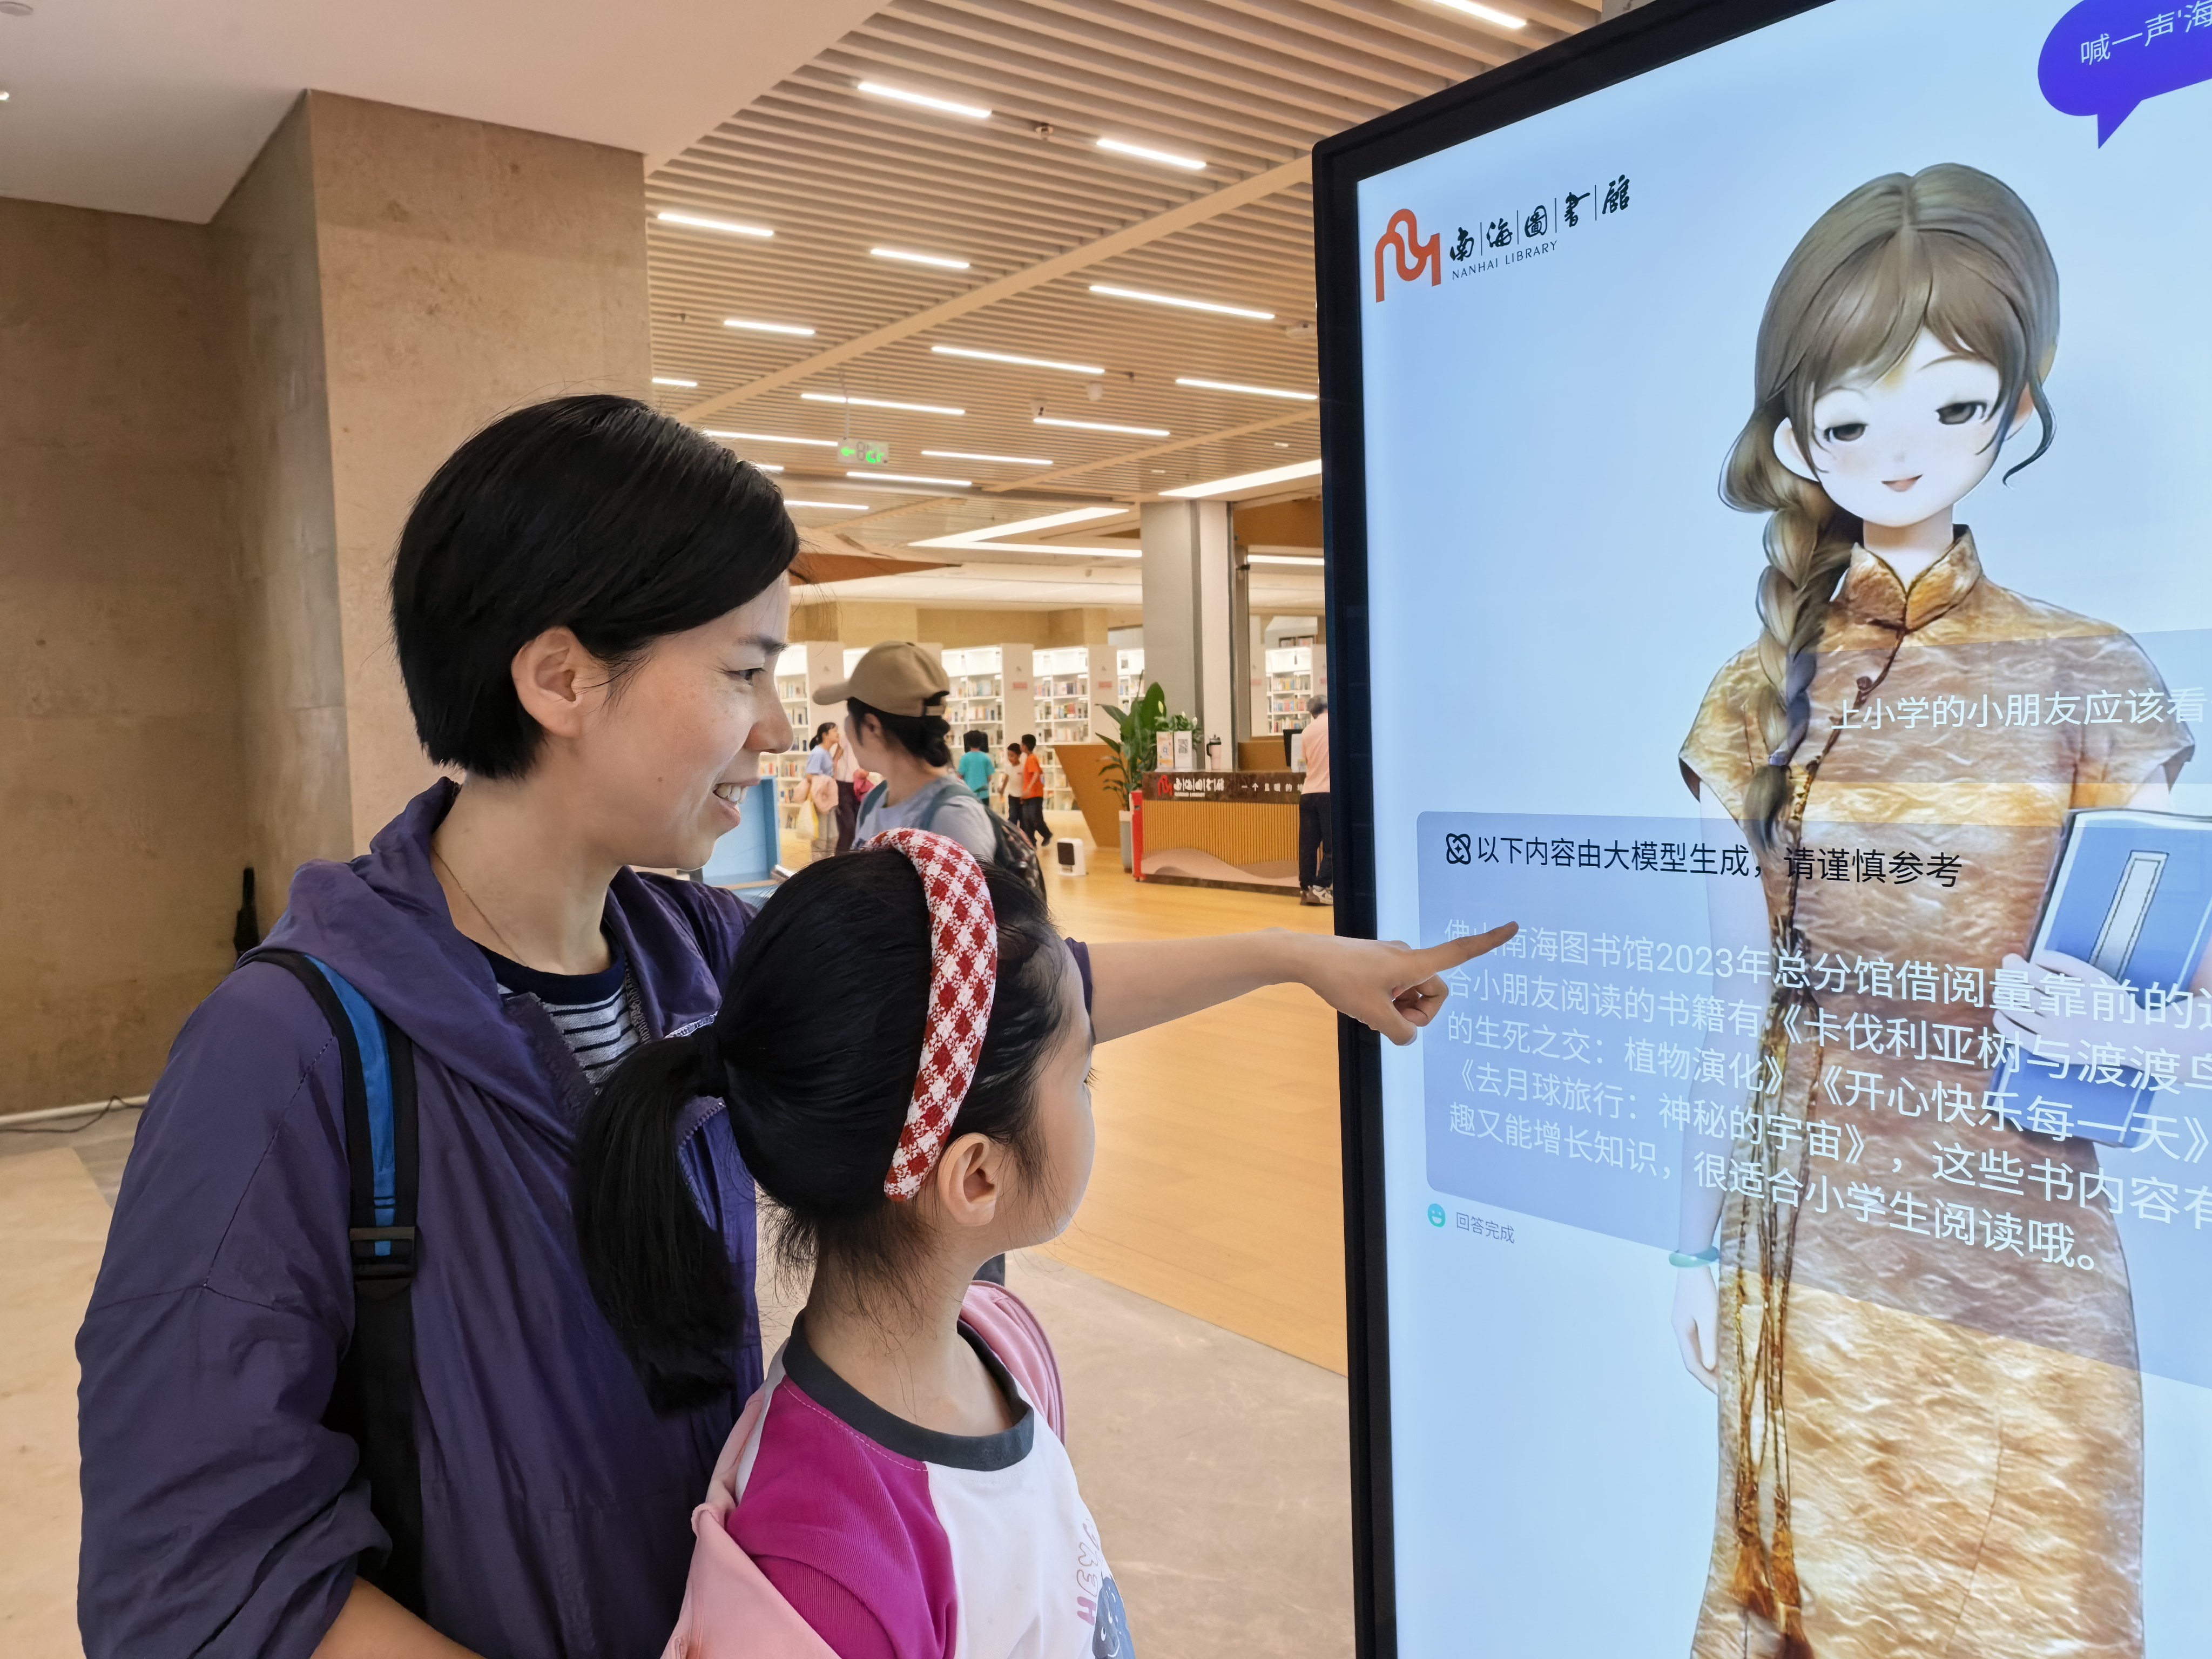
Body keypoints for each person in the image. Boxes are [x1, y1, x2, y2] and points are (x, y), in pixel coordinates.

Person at [76, 393, 1505, 1659]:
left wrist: (1291, 959)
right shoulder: (286, 1057)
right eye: (743, 670)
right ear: (561, 678)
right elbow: (194, 1581)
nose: (776, 730)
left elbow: (997, 997)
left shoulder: (691, 953)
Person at [1675, 165, 2203, 1658]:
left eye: (1952, 404)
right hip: (1816, 1269)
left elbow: (2195, 1010)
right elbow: (1735, 1019)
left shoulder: (2090, 674)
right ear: (1797, 436)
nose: (1900, 452)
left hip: (2031, 1276)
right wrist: (1697, 1247)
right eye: (1851, 420)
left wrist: (2126, 1027)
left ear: (2013, 412)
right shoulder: (1750, 696)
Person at [574, 833, 1122, 1656]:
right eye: (1082, 1077)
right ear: (977, 1176)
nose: (1089, 1098)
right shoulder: (823, 1578)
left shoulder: (1007, 1345)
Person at [835, 645, 999, 863]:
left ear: (873, 727)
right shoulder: (874, 800)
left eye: (849, 715)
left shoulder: (953, 818)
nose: (845, 727)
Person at [1298, 695, 1333, 905]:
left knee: (1308, 846)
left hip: (1308, 792)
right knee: (1333, 845)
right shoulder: (1335, 724)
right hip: (1328, 793)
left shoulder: (1306, 731)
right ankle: (1321, 887)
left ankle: (1307, 888)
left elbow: (1306, 760)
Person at [802, 723, 840, 864]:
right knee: (821, 838)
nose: (838, 734)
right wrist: (826, 784)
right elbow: (810, 776)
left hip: (828, 800)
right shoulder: (818, 753)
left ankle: (827, 866)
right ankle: (818, 867)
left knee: (832, 836)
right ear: (825, 735)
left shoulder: (825, 752)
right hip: (821, 800)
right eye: (834, 731)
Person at [1017, 733, 1052, 847]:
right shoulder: (1029, 758)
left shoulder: (1032, 758)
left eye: (1022, 743)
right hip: (1029, 795)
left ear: (1025, 746)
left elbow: (1036, 773)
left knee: (1035, 819)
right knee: (1027, 820)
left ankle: (1047, 834)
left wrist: (1028, 789)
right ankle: (1031, 843)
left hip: (1035, 794)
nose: (1021, 745)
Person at [956, 727, 996, 806]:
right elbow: (990, 778)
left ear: (968, 742)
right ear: (981, 742)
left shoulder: (965, 758)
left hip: (969, 794)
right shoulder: (986, 757)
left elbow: (959, 777)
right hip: (984, 794)